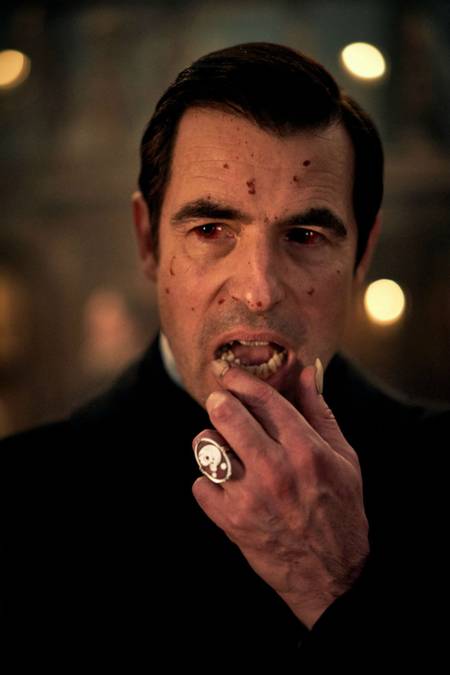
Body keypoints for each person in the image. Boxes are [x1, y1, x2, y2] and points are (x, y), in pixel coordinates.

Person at [1, 42, 448, 670]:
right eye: (211, 230)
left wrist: (336, 585)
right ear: (148, 240)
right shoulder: (19, 498)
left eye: (304, 235)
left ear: (362, 255)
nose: (258, 290)